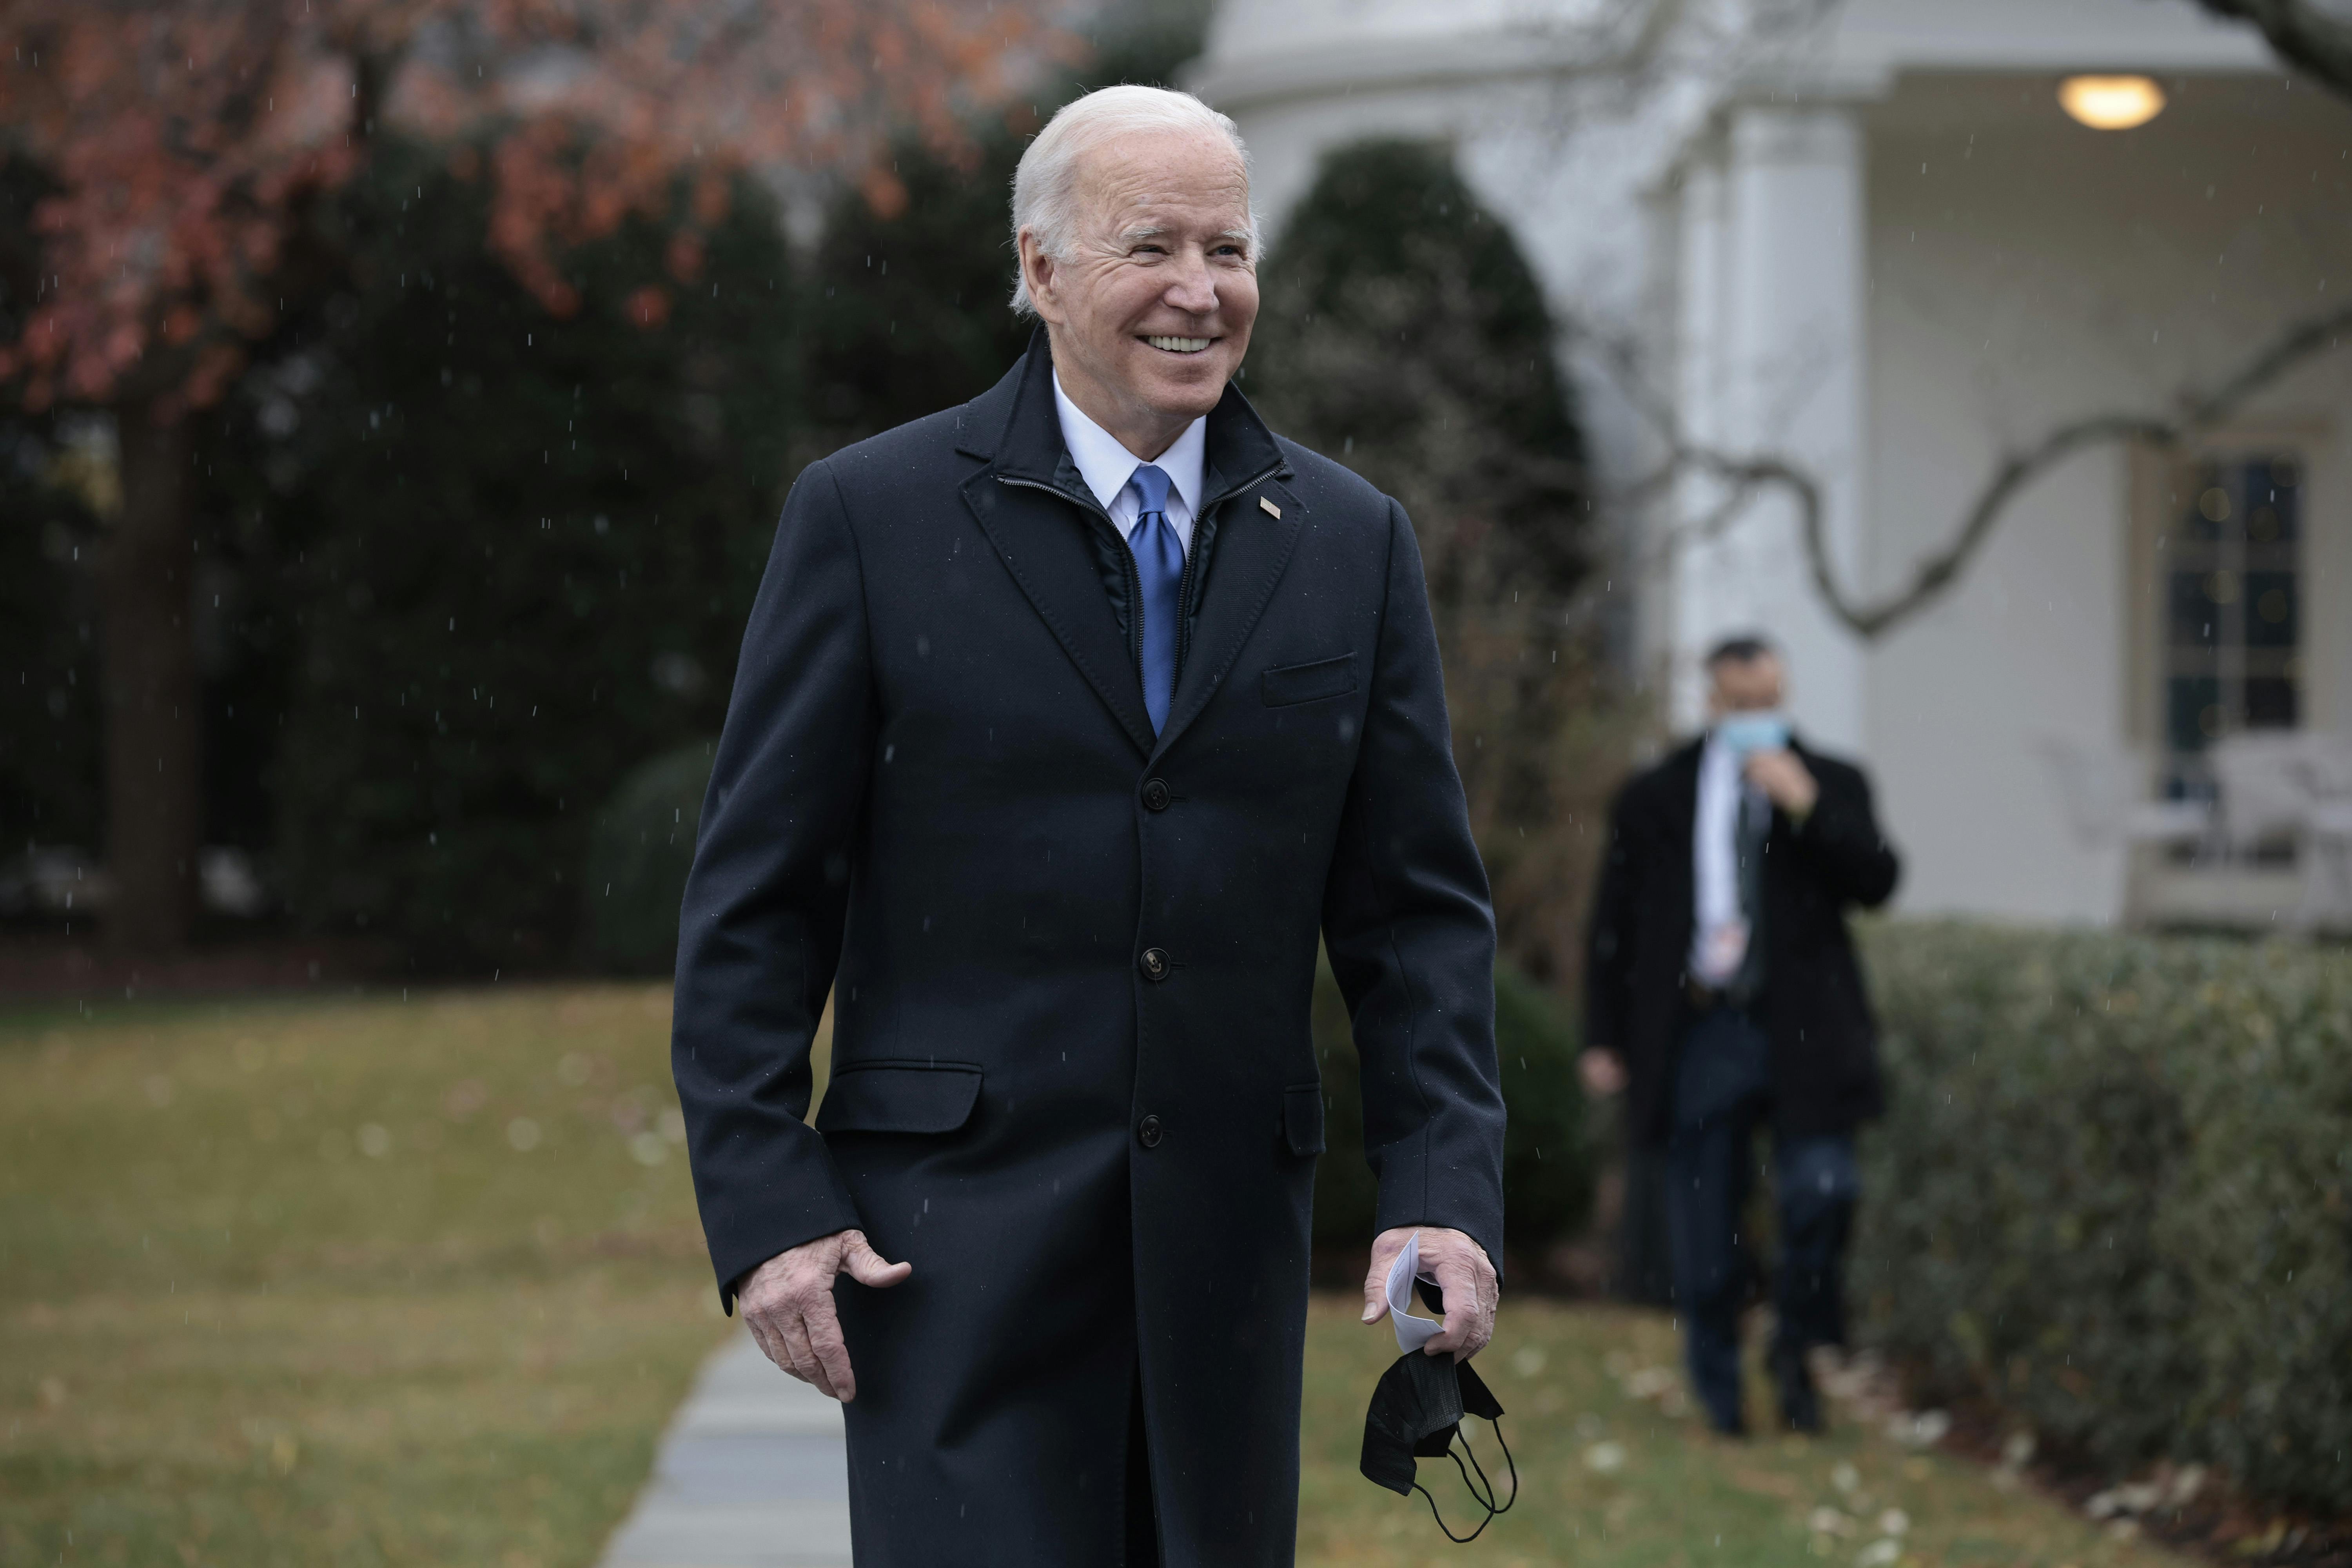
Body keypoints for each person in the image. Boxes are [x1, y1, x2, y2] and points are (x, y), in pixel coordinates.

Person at [670, 85, 1505, 1566]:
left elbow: (1415, 917)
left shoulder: (1351, 542)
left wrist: (1442, 1192)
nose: (1201, 290)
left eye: (1228, 250)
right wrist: (766, 1205)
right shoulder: (870, 517)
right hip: (946, 1257)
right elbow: (757, 903)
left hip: (1226, 1267)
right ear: (1042, 270)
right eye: (1153, 247)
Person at [1581, 635, 1899, 1436]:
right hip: (1704, 1025)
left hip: (1806, 1029)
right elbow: (1615, 920)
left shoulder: (1833, 780)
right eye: (1743, 702)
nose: (1759, 716)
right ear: (1713, 701)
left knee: (1824, 1190)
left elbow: (1878, 879)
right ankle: (1718, 1387)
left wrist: (1808, 807)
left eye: (1771, 701)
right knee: (1705, 1222)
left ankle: (1795, 1346)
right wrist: (1603, 1034)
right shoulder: (1657, 795)